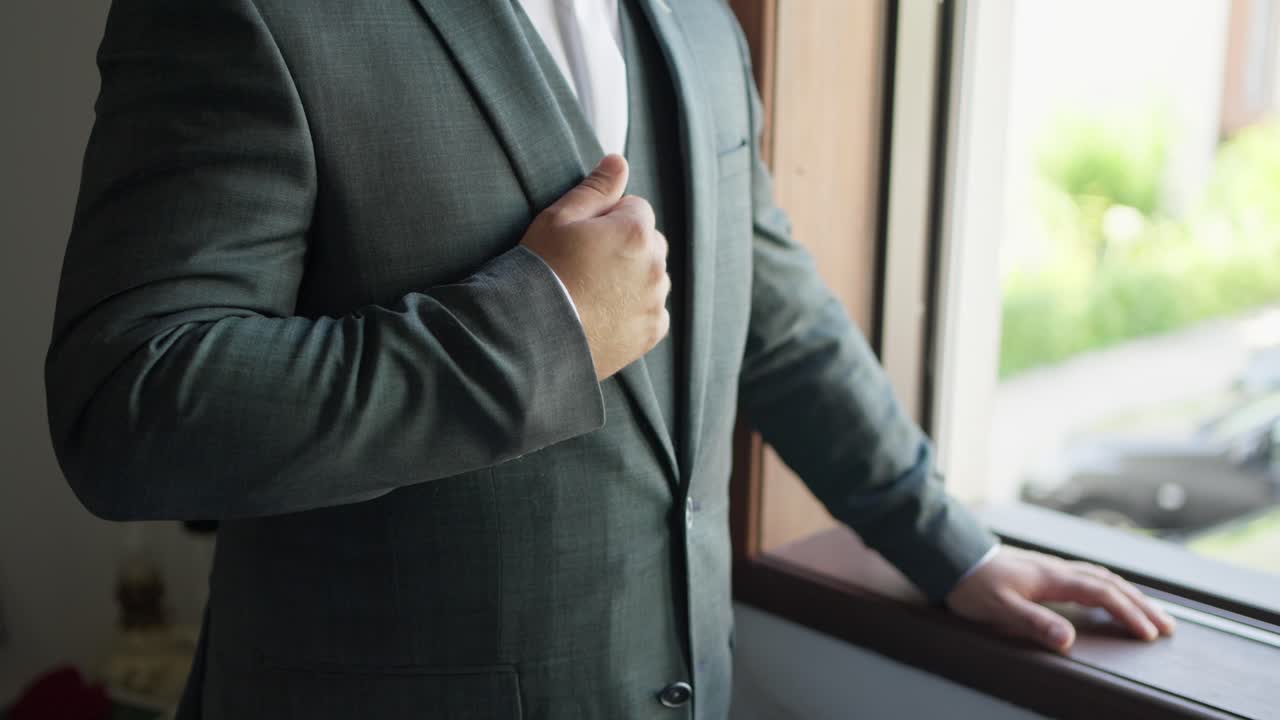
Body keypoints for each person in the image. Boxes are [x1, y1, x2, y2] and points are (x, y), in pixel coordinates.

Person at [45, 0, 1175, 717]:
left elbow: (771, 311)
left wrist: (948, 545)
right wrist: (538, 331)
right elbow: (130, 409)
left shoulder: (697, 20)